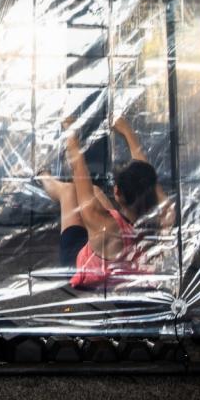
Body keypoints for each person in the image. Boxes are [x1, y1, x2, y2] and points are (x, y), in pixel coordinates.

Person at [39, 116, 174, 290]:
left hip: (79, 265)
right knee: (94, 191)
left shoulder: (105, 224)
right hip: (117, 252)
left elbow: (79, 168)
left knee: (69, 192)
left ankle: (42, 175)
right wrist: (127, 132)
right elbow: (146, 173)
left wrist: (69, 128)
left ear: (117, 192)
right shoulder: (165, 212)